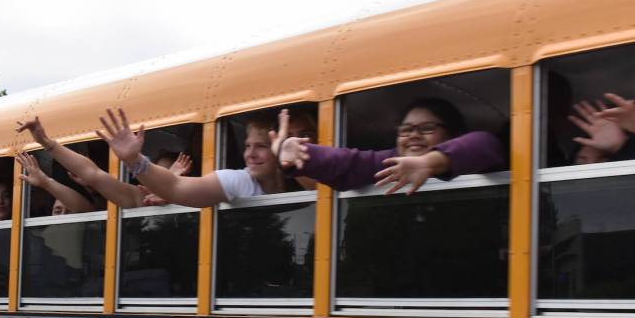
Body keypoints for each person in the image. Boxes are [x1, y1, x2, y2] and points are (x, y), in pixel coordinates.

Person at [273, 99, 507, 194]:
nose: (413, 136)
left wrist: (427, 163)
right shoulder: (395, 160)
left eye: (426, 128)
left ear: (452, 133)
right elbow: (349, 163)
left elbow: (486, 145)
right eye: (406, 130)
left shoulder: (469, 150)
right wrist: (302, 154)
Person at [96, 107, 284, 207]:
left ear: (279, 147)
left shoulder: (302, 177)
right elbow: (174, 186)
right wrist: (134, 160)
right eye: (248, 146)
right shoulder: (241, 180)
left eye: (261, 146)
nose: (250, 154)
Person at [17, 116, 192, 210]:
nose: (155, 185)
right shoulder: (139, 199)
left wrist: (172, 191)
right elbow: (93, 174)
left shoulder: (194, 198)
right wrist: (47, 143)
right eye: (151, 178)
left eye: (166, 179)